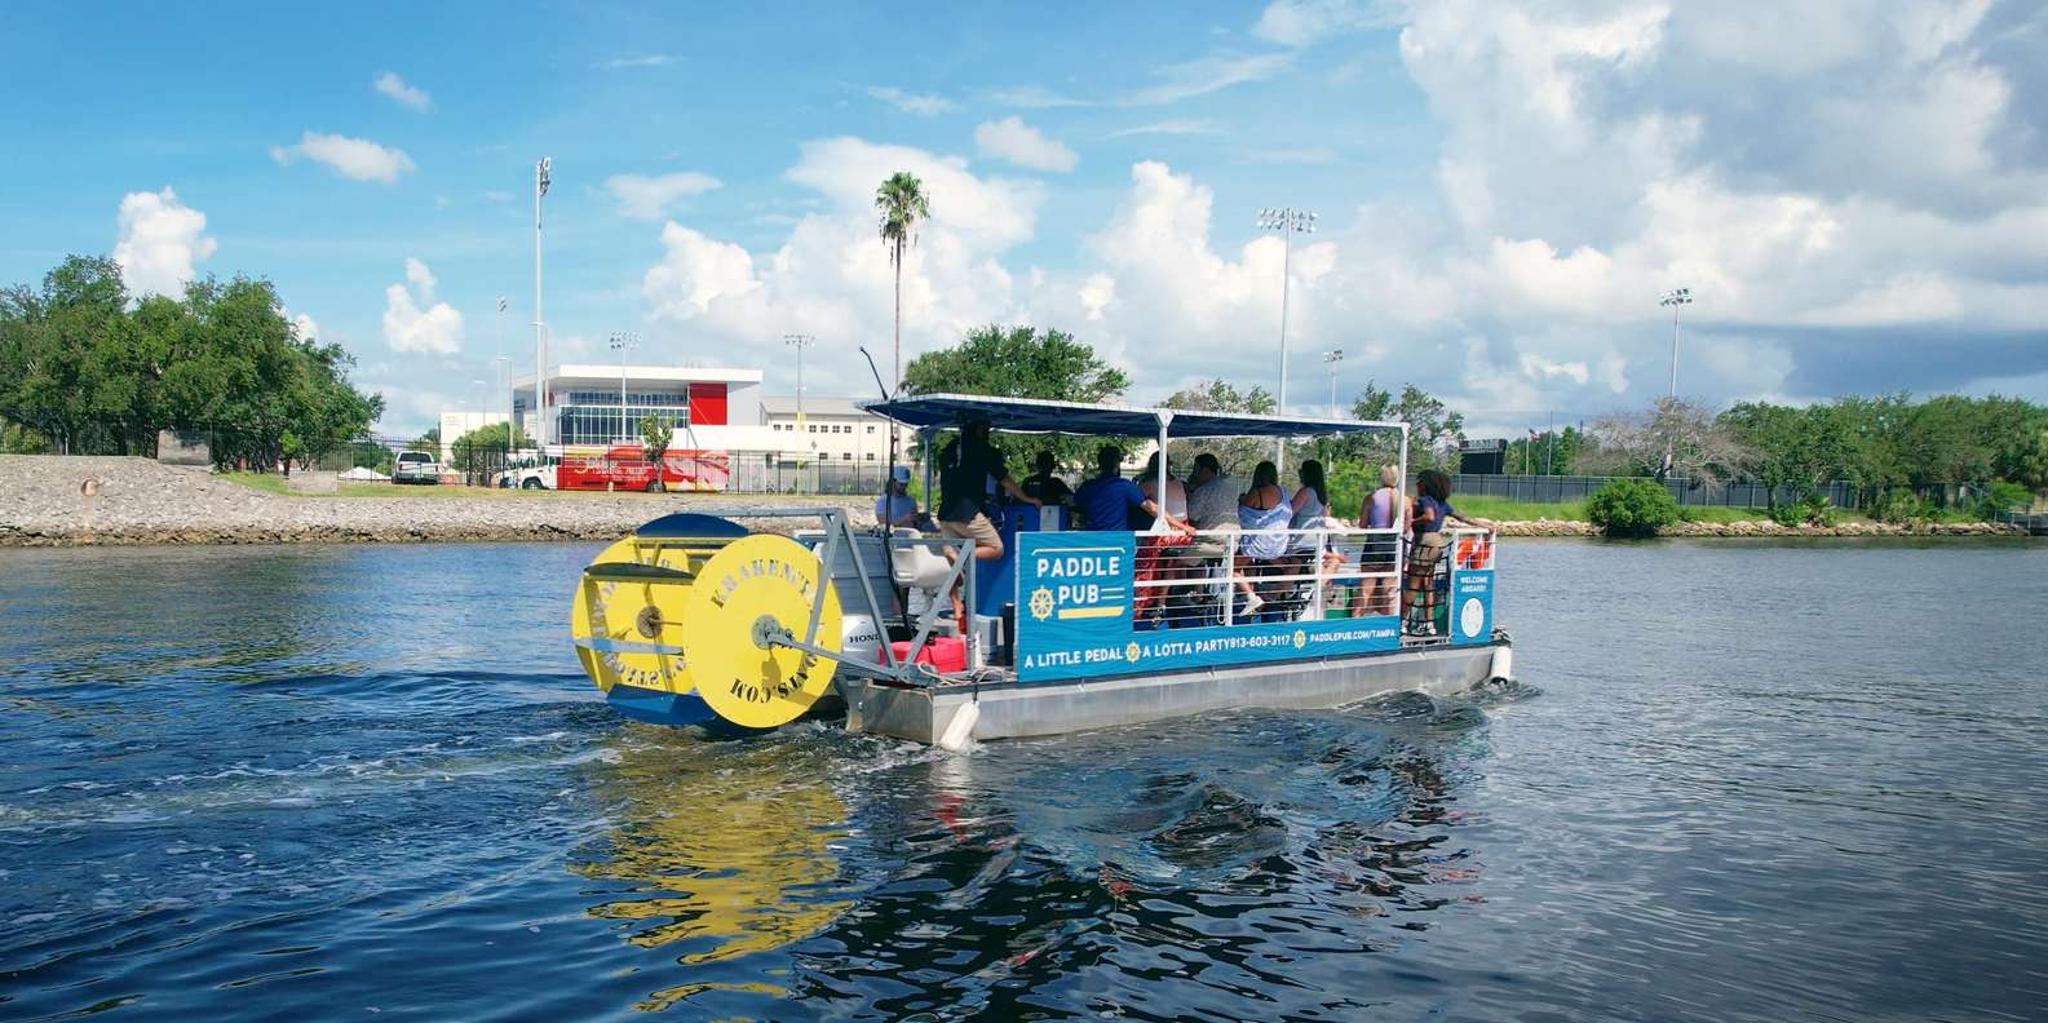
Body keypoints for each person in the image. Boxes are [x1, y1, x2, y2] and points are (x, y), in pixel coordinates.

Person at [937, 418, 1040, 620]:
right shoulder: (982, 449)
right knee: (997, 548)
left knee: (953, 563)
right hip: (966, 512)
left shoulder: (949, 448)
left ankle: (957, 606)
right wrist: (1028, 499)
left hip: (945, 514)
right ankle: (961, 557)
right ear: (979, 429)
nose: (989, 432)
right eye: (987, 429)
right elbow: (1005, 480)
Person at [1403, 469, 1494, 636]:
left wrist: (1411, 521)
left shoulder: (1425, 500)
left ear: (1424, 485)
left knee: (1413, 584)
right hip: (1437, 544)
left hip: (1425, 543)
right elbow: (1462, 517)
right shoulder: (1442, 503)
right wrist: (1483, 525)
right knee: (1428, 584)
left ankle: (1402, 622)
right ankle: (1429, 624)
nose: (1416, 486)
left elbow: (1429, 516)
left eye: (1418, 483)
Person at [1234, 460, 1290, 617]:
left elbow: (1242, 511)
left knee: (1232, 569)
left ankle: (1251, 597)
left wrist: (1241, 499)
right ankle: (1276, 594)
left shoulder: (1257, 492)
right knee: (1284, 565)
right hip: (1278, 544)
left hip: (1258, 544)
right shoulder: (1283, 492)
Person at [1356, 463, 1405, 615]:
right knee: (1389, 593)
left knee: (1365, 590)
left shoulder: (1371, 498)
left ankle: (1356, 621)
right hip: (1393, 547)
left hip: (1374, 545)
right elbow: (1406, 528)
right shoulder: (1404, 499)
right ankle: (1388, 624)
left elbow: (1362, 525)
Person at [1184, 452, 1237, 531]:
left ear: (1205, 470)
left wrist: (1188, 495)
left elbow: (1191, 515)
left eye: (1195, 470)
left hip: (1211, 535)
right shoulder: (1229, 488)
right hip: (1234, 533)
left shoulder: (1204, 490)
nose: (1193, 474)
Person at [875, 465, 919, 529]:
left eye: (906, 484)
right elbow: (884, 526)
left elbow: (914, 524)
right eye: (901, 484)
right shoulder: (882, 502)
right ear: (893, 482)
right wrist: (904, 520)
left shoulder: (911, 501)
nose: (904, 487)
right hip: (894, 535)